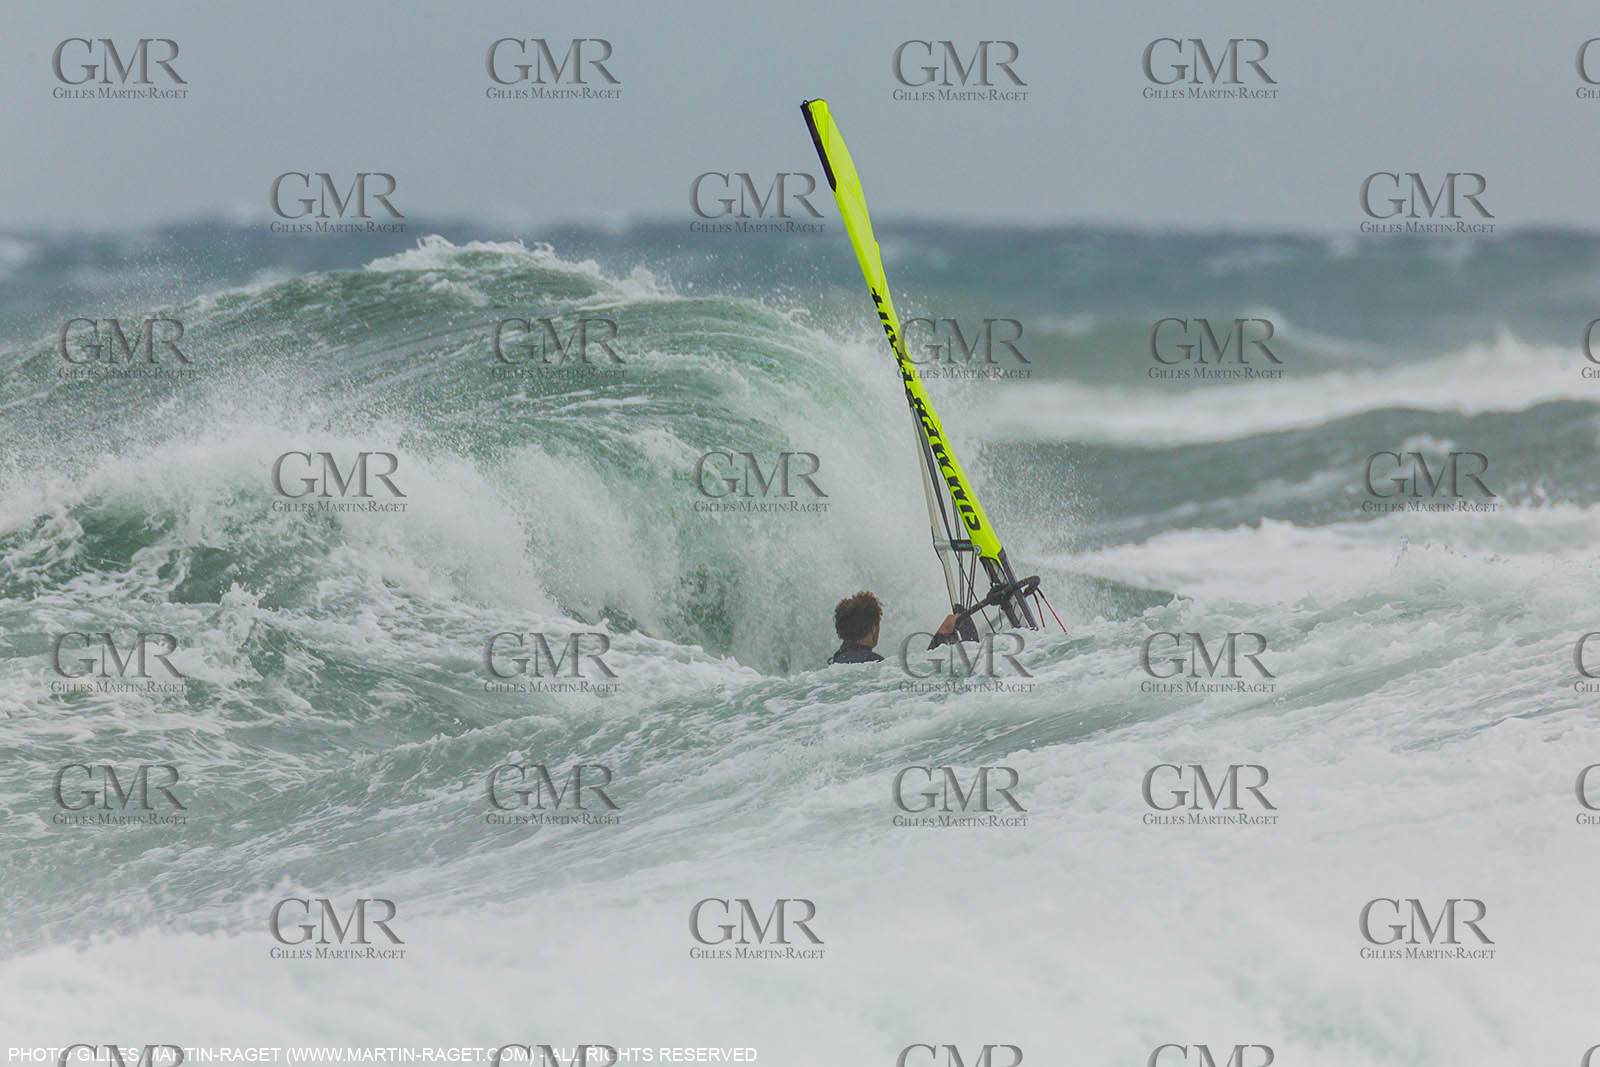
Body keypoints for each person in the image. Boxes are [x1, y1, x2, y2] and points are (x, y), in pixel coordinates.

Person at [826, 590, 968, 666]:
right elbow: (920, 680)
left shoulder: (836, 662)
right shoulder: (874, 664)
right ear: (874, 629)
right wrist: (941, 636)